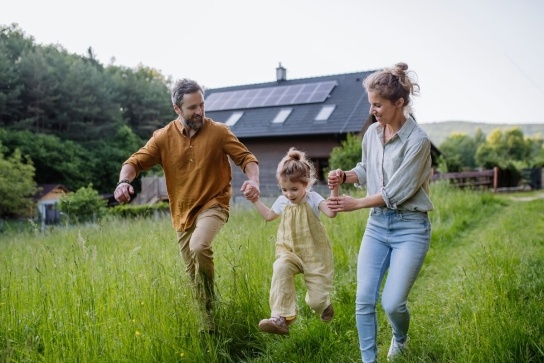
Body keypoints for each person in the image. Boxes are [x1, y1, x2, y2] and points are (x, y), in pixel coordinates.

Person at [114, 78, 260, 333]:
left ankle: (210, 305)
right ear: (177, 109)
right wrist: (123, 182)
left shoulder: (219, 132)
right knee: (192, 275)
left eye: (202, 105)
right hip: (182, 213)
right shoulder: (162, 138)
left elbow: (247, 158)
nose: (200, 111)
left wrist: (254, 180)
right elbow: (134, 162)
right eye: (192, 107)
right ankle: (210, 321)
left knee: (200, 246)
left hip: (214, 203)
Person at [327, 63, 433, 362]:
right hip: (378, 226)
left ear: (399, 103)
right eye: (371, 104)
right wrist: (345, 175)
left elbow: (397, 191)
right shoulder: (372, 133)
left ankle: (401, 338)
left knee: (392, 303)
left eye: (378, 104)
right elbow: (367, 169)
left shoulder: (418, 141)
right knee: (363, 300)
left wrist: (356, 203)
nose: (372, 110)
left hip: (411, 227)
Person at [248, 147, 337, 335]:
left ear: (306, 184)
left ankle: (324, 306)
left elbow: (331, 213)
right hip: (289, 252)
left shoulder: (313, 199)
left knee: (315, 302)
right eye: (285, 189)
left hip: (314, 255)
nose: (289, 194)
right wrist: (255, 200)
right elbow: (268, 215)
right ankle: (280, 318)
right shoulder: (283, 201)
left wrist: (334, 189)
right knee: (280, 267)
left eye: (294, 189)